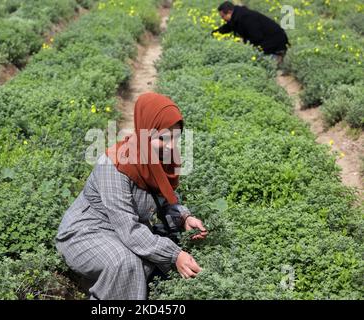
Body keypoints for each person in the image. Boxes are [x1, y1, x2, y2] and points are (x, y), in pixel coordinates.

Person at [55, 92, 208, 300]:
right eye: (164, 138)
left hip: (120, 231)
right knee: (125, 263)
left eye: (176, 138)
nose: (172, 146)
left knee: (146, 263)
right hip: (86, 232)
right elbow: (129, 229)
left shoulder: (160, 156)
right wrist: (174, 254)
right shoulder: (115, 165)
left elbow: (164, 200)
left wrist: (184, 218)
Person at [212, 1, 290, 65]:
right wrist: (214, 33)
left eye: (223, 16)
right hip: (268, 42)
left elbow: (256, 37)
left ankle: (279, 58)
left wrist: (247, 48)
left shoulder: (246, 17)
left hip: (275, 44)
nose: (223, 19)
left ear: (229, 12)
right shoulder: (237, 16)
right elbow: (228, 27)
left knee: (260, 63)